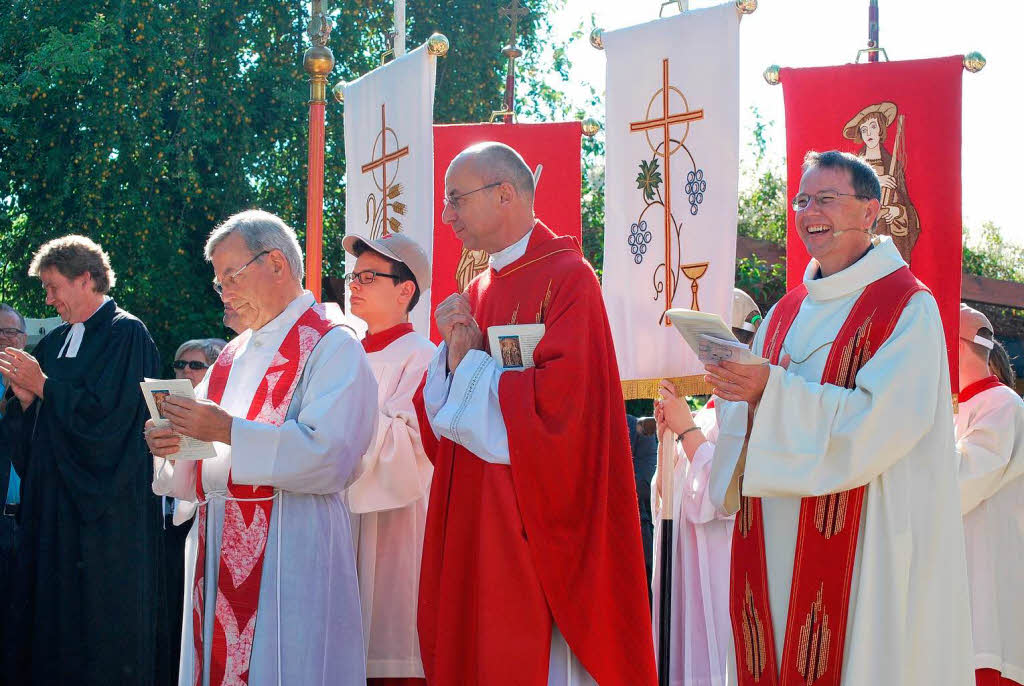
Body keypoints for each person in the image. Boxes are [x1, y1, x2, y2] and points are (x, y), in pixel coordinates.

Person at [706, 151, 973, 685]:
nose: (810, 211)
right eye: (803, 200)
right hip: (774, 533)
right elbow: (748, 417)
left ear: (871, 212)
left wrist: (772, 392)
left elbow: (881, 424)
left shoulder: (905, 307)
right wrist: (739, 390)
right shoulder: (784, 312)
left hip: (864, 541)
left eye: (826, 198)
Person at [415, 142, 657, 685]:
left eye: (456, 199)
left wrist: (469, 363)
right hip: (480, 514)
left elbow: (563, 411)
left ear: (504, 194)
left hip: (536, 520)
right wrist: (456, 360)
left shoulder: (570, 278)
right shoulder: (477, 289)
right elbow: (445, 419)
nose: (447, 214)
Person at [147, 210, 377, 685]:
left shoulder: (332, 347)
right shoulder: (231, 356)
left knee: (289, 665)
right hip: (216, 543)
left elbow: (331, 455)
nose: (224, 293)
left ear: (276, 262)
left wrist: (229, 431)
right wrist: (175, 444)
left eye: (231, 276)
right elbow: (205, 453)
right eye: (219, 283)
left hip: (292, 544)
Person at [0, 236, 163, 684]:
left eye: (54, 288)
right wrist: (27, 400)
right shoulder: (53, 343)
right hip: (54, 514)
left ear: (86, 278)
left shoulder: (127, 334)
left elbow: (113, 422)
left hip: (105, 518)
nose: (49, 300)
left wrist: (48, 387)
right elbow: (35, 431)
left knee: (100, 633)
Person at [652, 288, 761, 686]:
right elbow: (668, 499)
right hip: (687, 575)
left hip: (724, 571)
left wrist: (687, 432)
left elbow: (727, 496)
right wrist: (671, 440)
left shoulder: (755, 409)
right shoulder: (705, 412)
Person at [342, 233, 436, 685]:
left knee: (387, 656)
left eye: (368, 276)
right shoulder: (341, 355)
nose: (353, 285)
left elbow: (408, 446)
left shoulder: (424, 358)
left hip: (393, 527)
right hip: (338, 520)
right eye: (353, 276)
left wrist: (336, 424)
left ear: (405, 290)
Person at [955, 304, 1024, 686]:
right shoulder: (961, 408)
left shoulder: (1002, 406)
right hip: (958, 611)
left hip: (986, 618)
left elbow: (960, 485)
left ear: (955, 346)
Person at [843, 102, 921, 264]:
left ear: (880, 129)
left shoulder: (894, 165)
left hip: (887, 238)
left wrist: (897, 211)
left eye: (873, 126)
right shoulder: (853, 167)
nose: (869, 133)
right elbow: (846, 200)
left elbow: (906, 205)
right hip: (861, 240)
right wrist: (877, 180)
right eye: (864, 130)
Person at [0, 304, 28, 614]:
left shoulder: (41, 387)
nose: (5, 340)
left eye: (11, 332)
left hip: (29, 521)